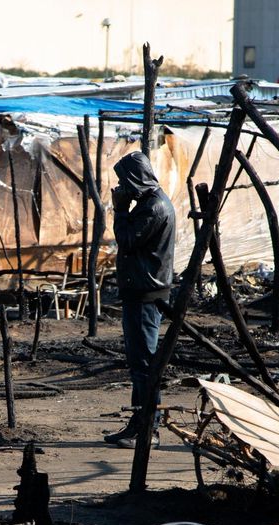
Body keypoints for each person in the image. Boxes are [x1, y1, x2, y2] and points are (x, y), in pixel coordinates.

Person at [103, 151, 175, 449]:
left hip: (147, 293)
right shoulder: (149, 203)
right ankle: (139, 421)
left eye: (124, 181)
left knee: (145, 363)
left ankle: (149, 429)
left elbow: (127, 239)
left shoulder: (153, 207)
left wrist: (120, 210)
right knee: (139, 363)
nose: (122, 188)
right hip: (141, 290)